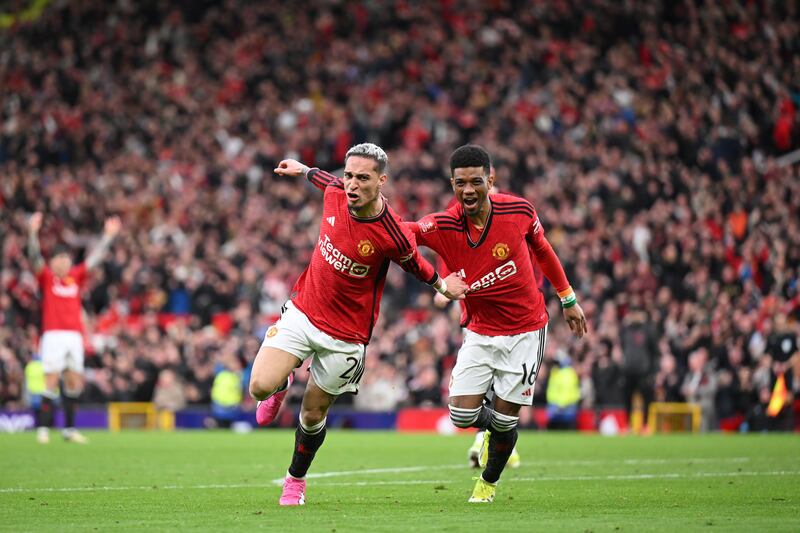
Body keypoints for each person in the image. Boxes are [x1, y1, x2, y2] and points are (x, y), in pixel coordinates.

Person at [248, 143, 468, 506]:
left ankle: (295, 479)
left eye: (362, 178)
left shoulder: (392, 232)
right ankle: (281, 383)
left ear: (381, 181)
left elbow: (417, 265)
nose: (352, 184)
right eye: (349, 175)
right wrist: (301, 168)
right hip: (303, 312)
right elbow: (323, 178)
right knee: (258, 387)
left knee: (312, 414)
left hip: (346, 337)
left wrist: (444, 287)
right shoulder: (336, 192)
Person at [405, 144, 587, 503]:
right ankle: (503, 431)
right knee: (461, 414)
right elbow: (402, 232)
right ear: (452, 184)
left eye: (476, 181)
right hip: (480, 330)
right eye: (460, 183)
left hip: (526, 330)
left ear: (490, 181)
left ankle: (487, 484)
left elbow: (543, 249)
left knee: (503, 419)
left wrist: (568, 298)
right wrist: (438, 283)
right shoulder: (443, 224)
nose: (468, 190)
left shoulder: (519, 211)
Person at [27, 211, 121, 444]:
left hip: (74, 336)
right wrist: (32, 233)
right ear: (53, 262)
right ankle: (43, 429)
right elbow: (34, 257)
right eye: (60, 259)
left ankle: (69, 429)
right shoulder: (47, 278)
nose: (64, 263)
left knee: (73, 381)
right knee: (51, 380)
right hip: (53, 334)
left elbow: (94, 259)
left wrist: (108, 237)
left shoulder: (76, 277)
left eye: (67, 259)